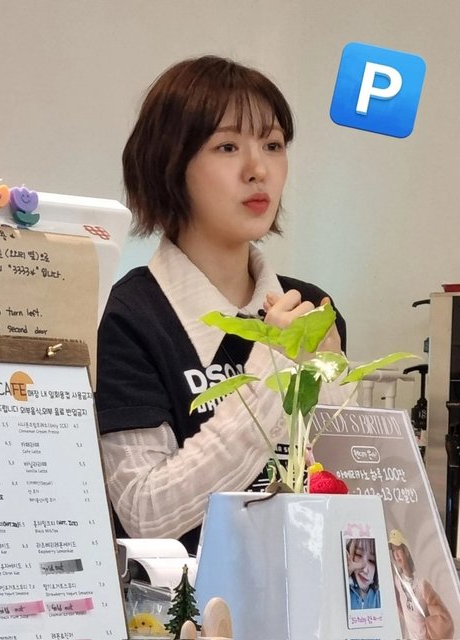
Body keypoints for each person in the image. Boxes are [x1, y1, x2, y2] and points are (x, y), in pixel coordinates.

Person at [95, 55, 349, 554]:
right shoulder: (127, 317)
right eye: (227, 147)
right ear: (170, 165)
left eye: (273, 145)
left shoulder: (313, 306)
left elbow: (344, 483)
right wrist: (275, 369)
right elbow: (145, 514)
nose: (259, 170)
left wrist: (337, 390)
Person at [388, 529, 454, 640]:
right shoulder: (397, 581)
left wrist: (432, 627)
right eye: (393, 551)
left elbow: (444, 618)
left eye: (398, 549)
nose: (396, 555)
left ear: (406, 551)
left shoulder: (421, 584)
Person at [346, 537, 381, 610]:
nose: (365, 570)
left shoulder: (380, 598)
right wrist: (346, 573)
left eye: (371, 560)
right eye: (358, 554)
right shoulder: (345, 592)